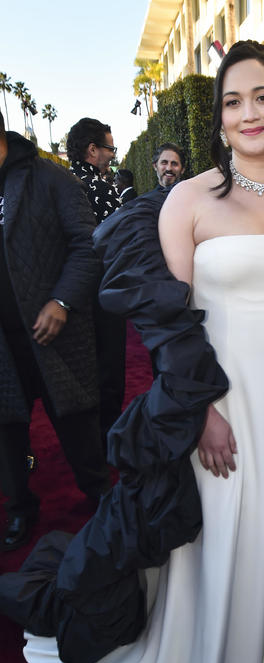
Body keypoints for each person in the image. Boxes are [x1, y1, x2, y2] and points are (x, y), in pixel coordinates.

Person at [15, 40, 264, 663]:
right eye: (233, 102)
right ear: (221, 123)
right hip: (219, 406)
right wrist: (199, 411)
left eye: (263, 96)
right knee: (223, 532)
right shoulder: (189, 200)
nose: (249, 112)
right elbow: (171, 326)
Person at [0, 111, 109, 552]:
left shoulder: (51, 178)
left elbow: (90, 244)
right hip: (3, 344)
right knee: (7, 432)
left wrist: (62, 301)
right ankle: (20, 508)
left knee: (77, 425)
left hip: (54, 332)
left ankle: (102, 498)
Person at [67, 117, 125, 442]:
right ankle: (108, 438)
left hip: (69, 293)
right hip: (103, 291)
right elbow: (119, 244)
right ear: (93, 150)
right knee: (109, 370)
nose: (112, 156)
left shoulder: (59, 183)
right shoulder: (101, 189)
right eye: (110, 148)